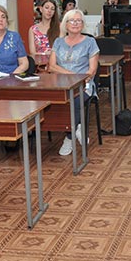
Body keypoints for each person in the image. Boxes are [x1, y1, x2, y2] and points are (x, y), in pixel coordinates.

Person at [49, 9, 99, 156]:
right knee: (51, 102)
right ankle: (77, 127)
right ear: (66, 24)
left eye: (79, 21)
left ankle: (69, 137)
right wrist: (72, 76)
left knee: (75, 100)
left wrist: (79, 80)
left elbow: (92, 70)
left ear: (82, 24)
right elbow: (52, 66)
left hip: (84, 85)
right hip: (61, 85)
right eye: (72, 21)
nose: (75, 23)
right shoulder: (58, 42)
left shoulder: (90, 42)